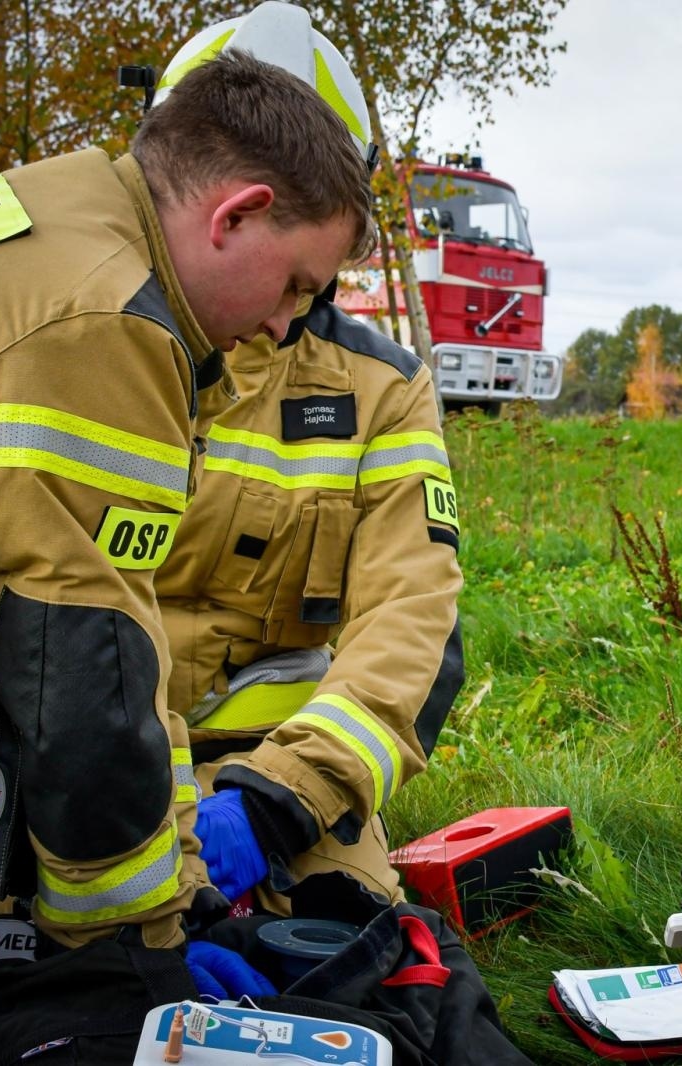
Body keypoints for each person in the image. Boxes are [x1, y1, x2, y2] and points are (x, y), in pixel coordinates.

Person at [0, 13, 374, 1009]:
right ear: (237, 214)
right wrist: (140, 945)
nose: (284, 323)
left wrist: (181, 879)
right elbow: (78, 668)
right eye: (296, 283)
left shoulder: (63, 206)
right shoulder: (112, 320)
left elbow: (119, 632)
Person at [161, 287, 462, 912]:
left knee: (347, 932)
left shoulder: (382, 386)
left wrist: (279, 802)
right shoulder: (98, 335)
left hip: (263, 765)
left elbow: (412, 617)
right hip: (85, 755)